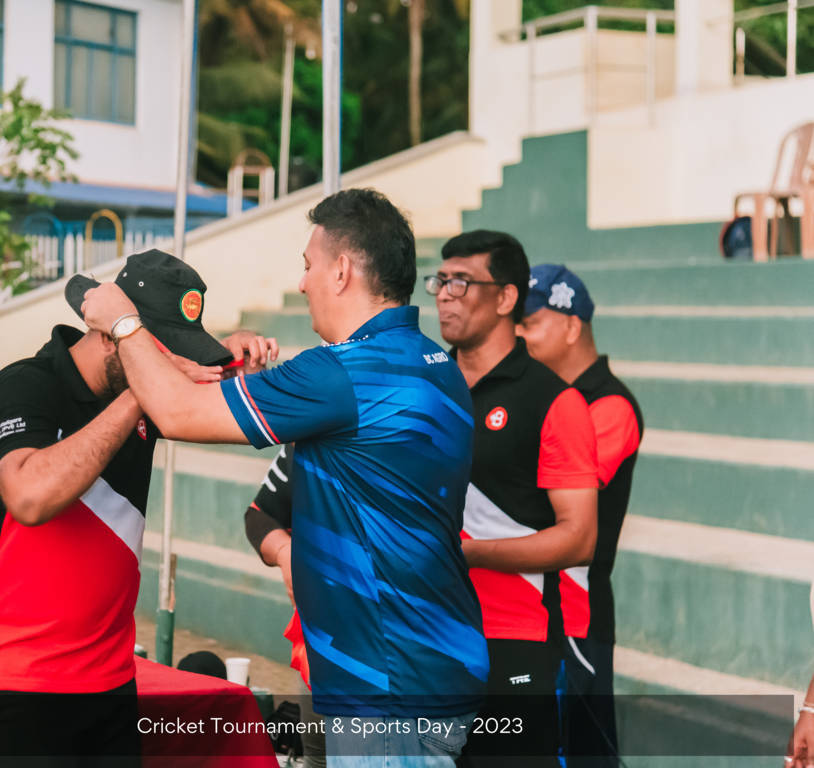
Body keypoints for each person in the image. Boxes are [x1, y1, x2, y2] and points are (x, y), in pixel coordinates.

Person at [81, 188, 488, 767]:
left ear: (341, 271)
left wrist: (124, 322)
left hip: (387, 689)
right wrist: (234, 373)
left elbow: (176, 413)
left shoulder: (344, 372)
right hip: (428, 666)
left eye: (308, 265)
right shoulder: (433, 362)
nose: (301, 283)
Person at [0, 249, 276, 767]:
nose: (159, 370)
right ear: (107, 334)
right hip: (13, 677)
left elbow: (220, 404)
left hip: (109, 679)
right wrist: (139, 393)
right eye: (150, 350)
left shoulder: (139, 392)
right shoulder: (26, 386)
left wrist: (234, 360)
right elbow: (29, 496)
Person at [429, 231, 599, 767]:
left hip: (513, 638)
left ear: (506, 298)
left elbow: (579, 537)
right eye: (440, 281)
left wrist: (471, 553)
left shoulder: (554, 401)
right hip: (423, 627)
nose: (445, 294)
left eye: (462, 282)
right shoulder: (423, 385)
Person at [517, 264, 643, 767]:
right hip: (534, 606)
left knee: (584, 752)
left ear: (572, 326)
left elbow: (545, 494)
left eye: (531, 322)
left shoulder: (611, 406)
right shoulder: (544, 398)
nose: (519, 334)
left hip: (577, 614)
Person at [244, 443, 327, 767]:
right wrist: (284, 551)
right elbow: (259, 514)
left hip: (394, 648)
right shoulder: (303, 441)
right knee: (318, 756)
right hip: (318, 642)